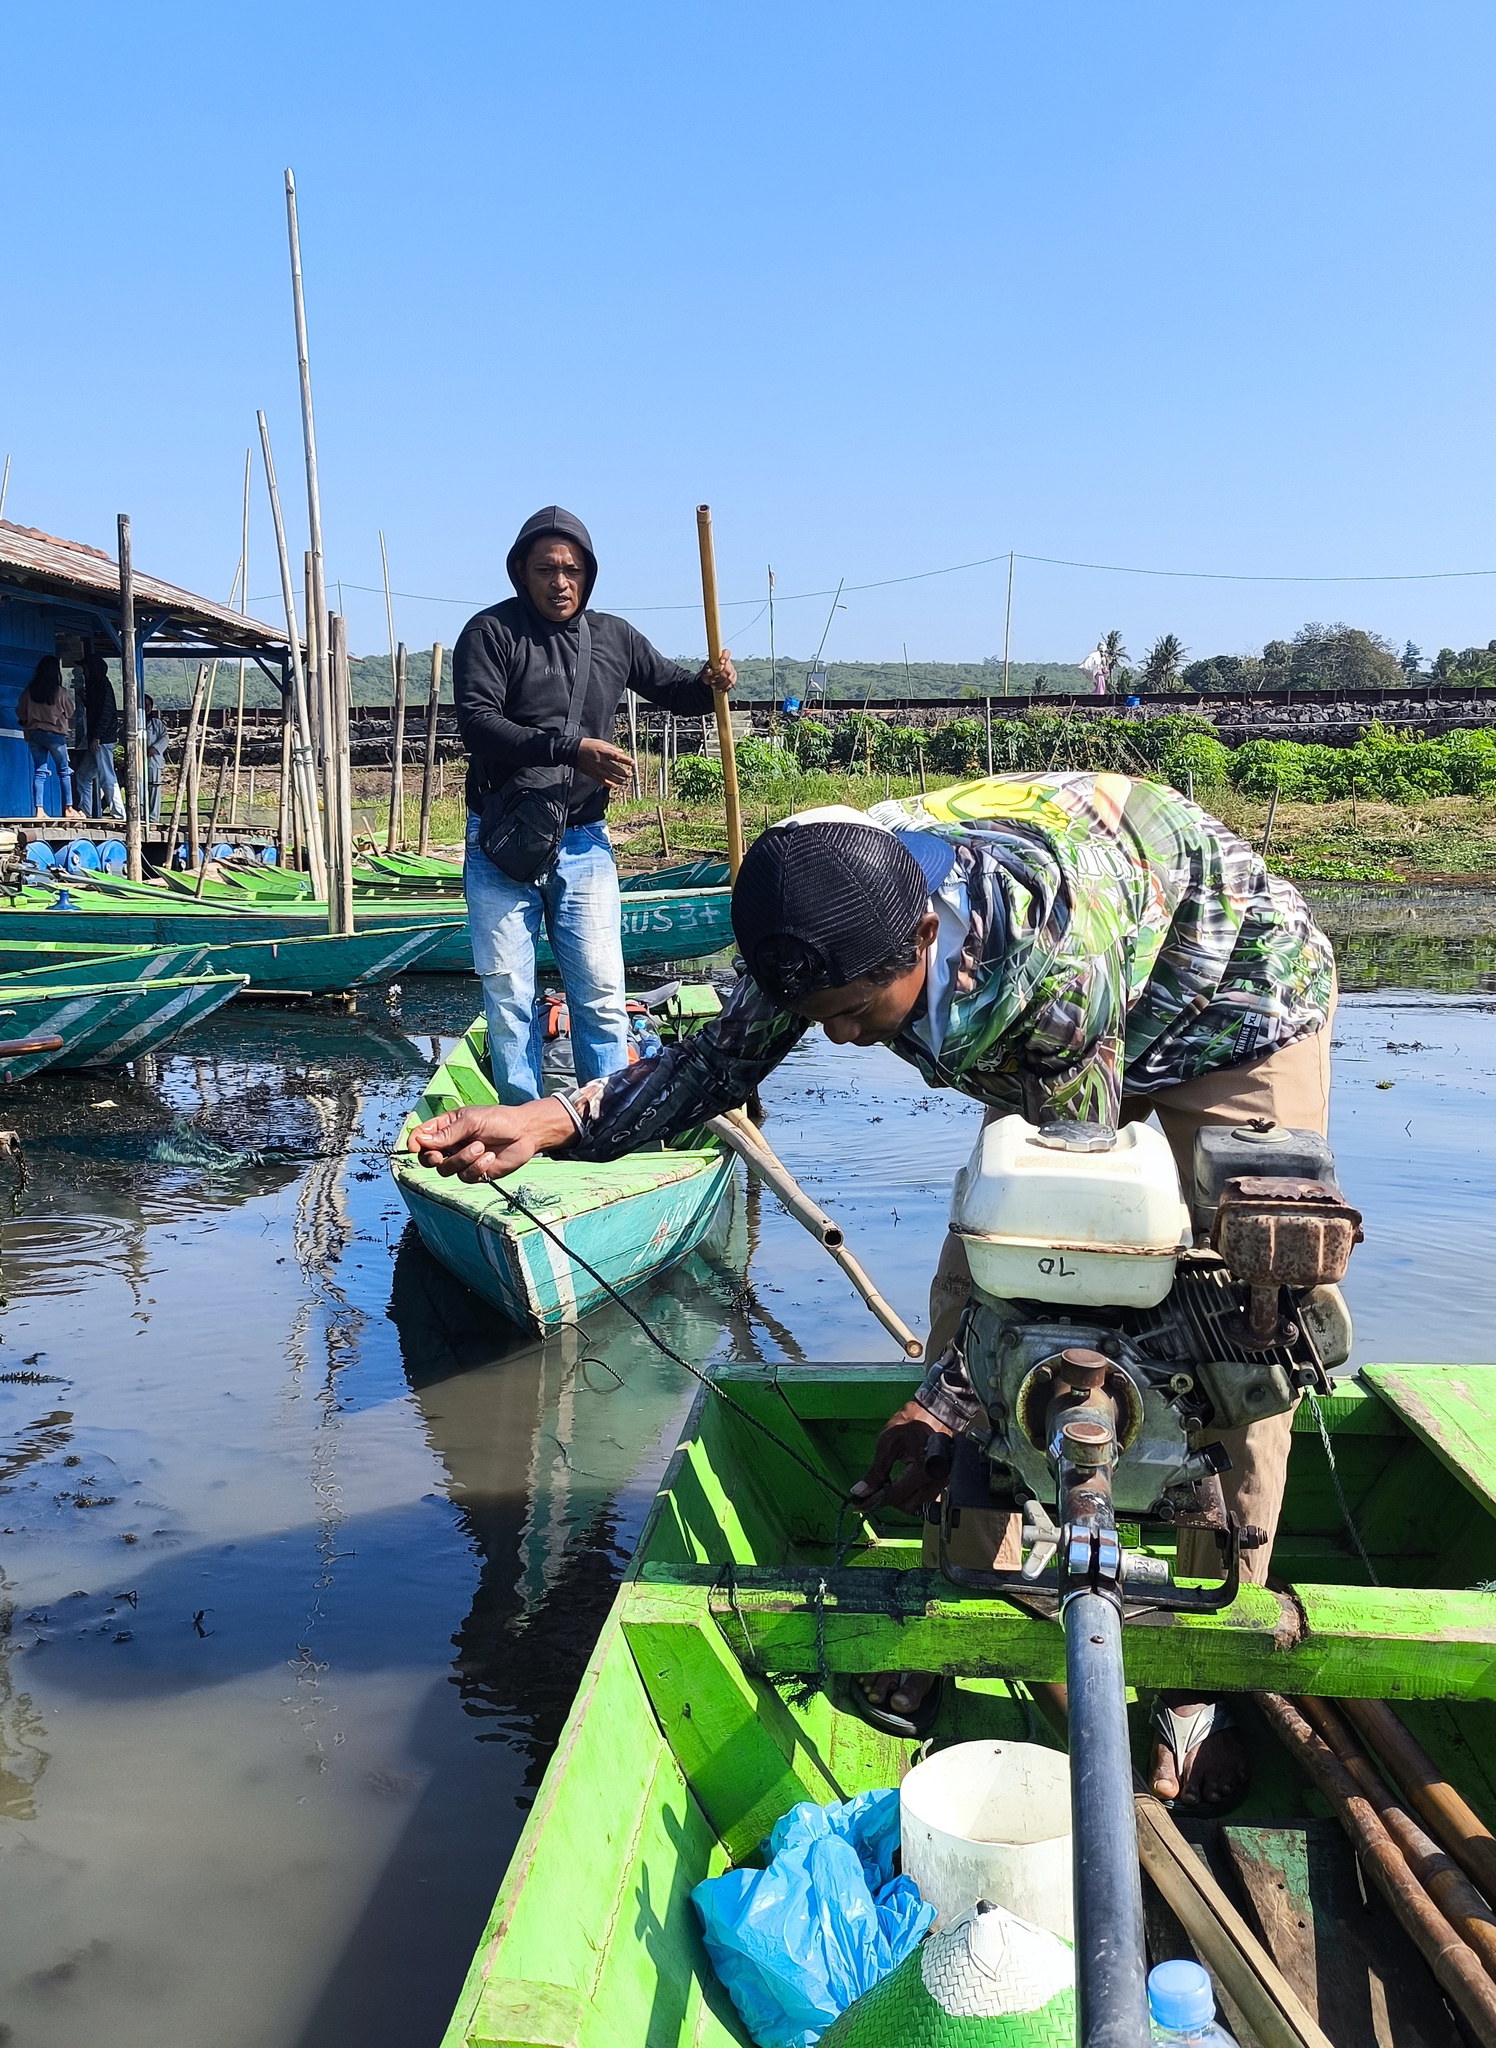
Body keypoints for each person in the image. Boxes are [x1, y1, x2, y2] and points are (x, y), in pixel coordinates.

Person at [408, 772, 1338, 1811]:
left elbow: (1077, 1259)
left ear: (926, 935)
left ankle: (1199, 1684)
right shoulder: (813, 910)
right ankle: (960, 1609)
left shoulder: (1041, 971)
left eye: (858, 1013)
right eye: (821, 1018)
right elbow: (716, 1060)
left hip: (1227, 1001)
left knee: (1225, 1347)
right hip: (1064, 1038)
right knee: (965, 1303)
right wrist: (552, 1120)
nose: (845, 1038)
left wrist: (949, 1398)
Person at [452, 506, 735, 1103]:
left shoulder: (613, 637)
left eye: (573, 570)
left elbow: (674, 690)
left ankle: (604, 1118)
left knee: (602, 997)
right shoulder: (490, 634)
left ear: (589, 574)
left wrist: (710, 683)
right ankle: (520, 1121)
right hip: (502, 843)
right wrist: (570, 749)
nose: (561, 582)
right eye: (547, 570)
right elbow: (478, 725)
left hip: (582, 842)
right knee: (508, 1000)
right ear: (520, 573)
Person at [15, 655, 75, 819]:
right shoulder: (60, 692)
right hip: (55, 735)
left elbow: (20, 712)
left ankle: (39, 810)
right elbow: (70, 712)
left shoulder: (29, 691)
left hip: (34, 734)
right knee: (63, 772)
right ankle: (68, 809)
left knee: (40, 772)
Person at [74, 655, 123, 820]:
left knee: (107, 776)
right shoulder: (97, 685)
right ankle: (85, 812)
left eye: (85, 669)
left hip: (102, 740)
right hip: (98, 739)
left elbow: (105, 712)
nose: (83, 672)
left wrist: (97, 736)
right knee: (83, 775)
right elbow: (96, 708)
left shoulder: (102, 685)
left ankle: (119, 815)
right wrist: (84, 697)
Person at [142, 697, 170, 821]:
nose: (147, 707)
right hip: (137, 762)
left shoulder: (156, 723)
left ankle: (153, 819)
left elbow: (165, 738)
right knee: (140, 790)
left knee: (153, 790)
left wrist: (154, 748)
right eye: (144, 705)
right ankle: (141, 816)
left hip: (153, 761)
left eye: (149, 705)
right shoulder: (134, 722)